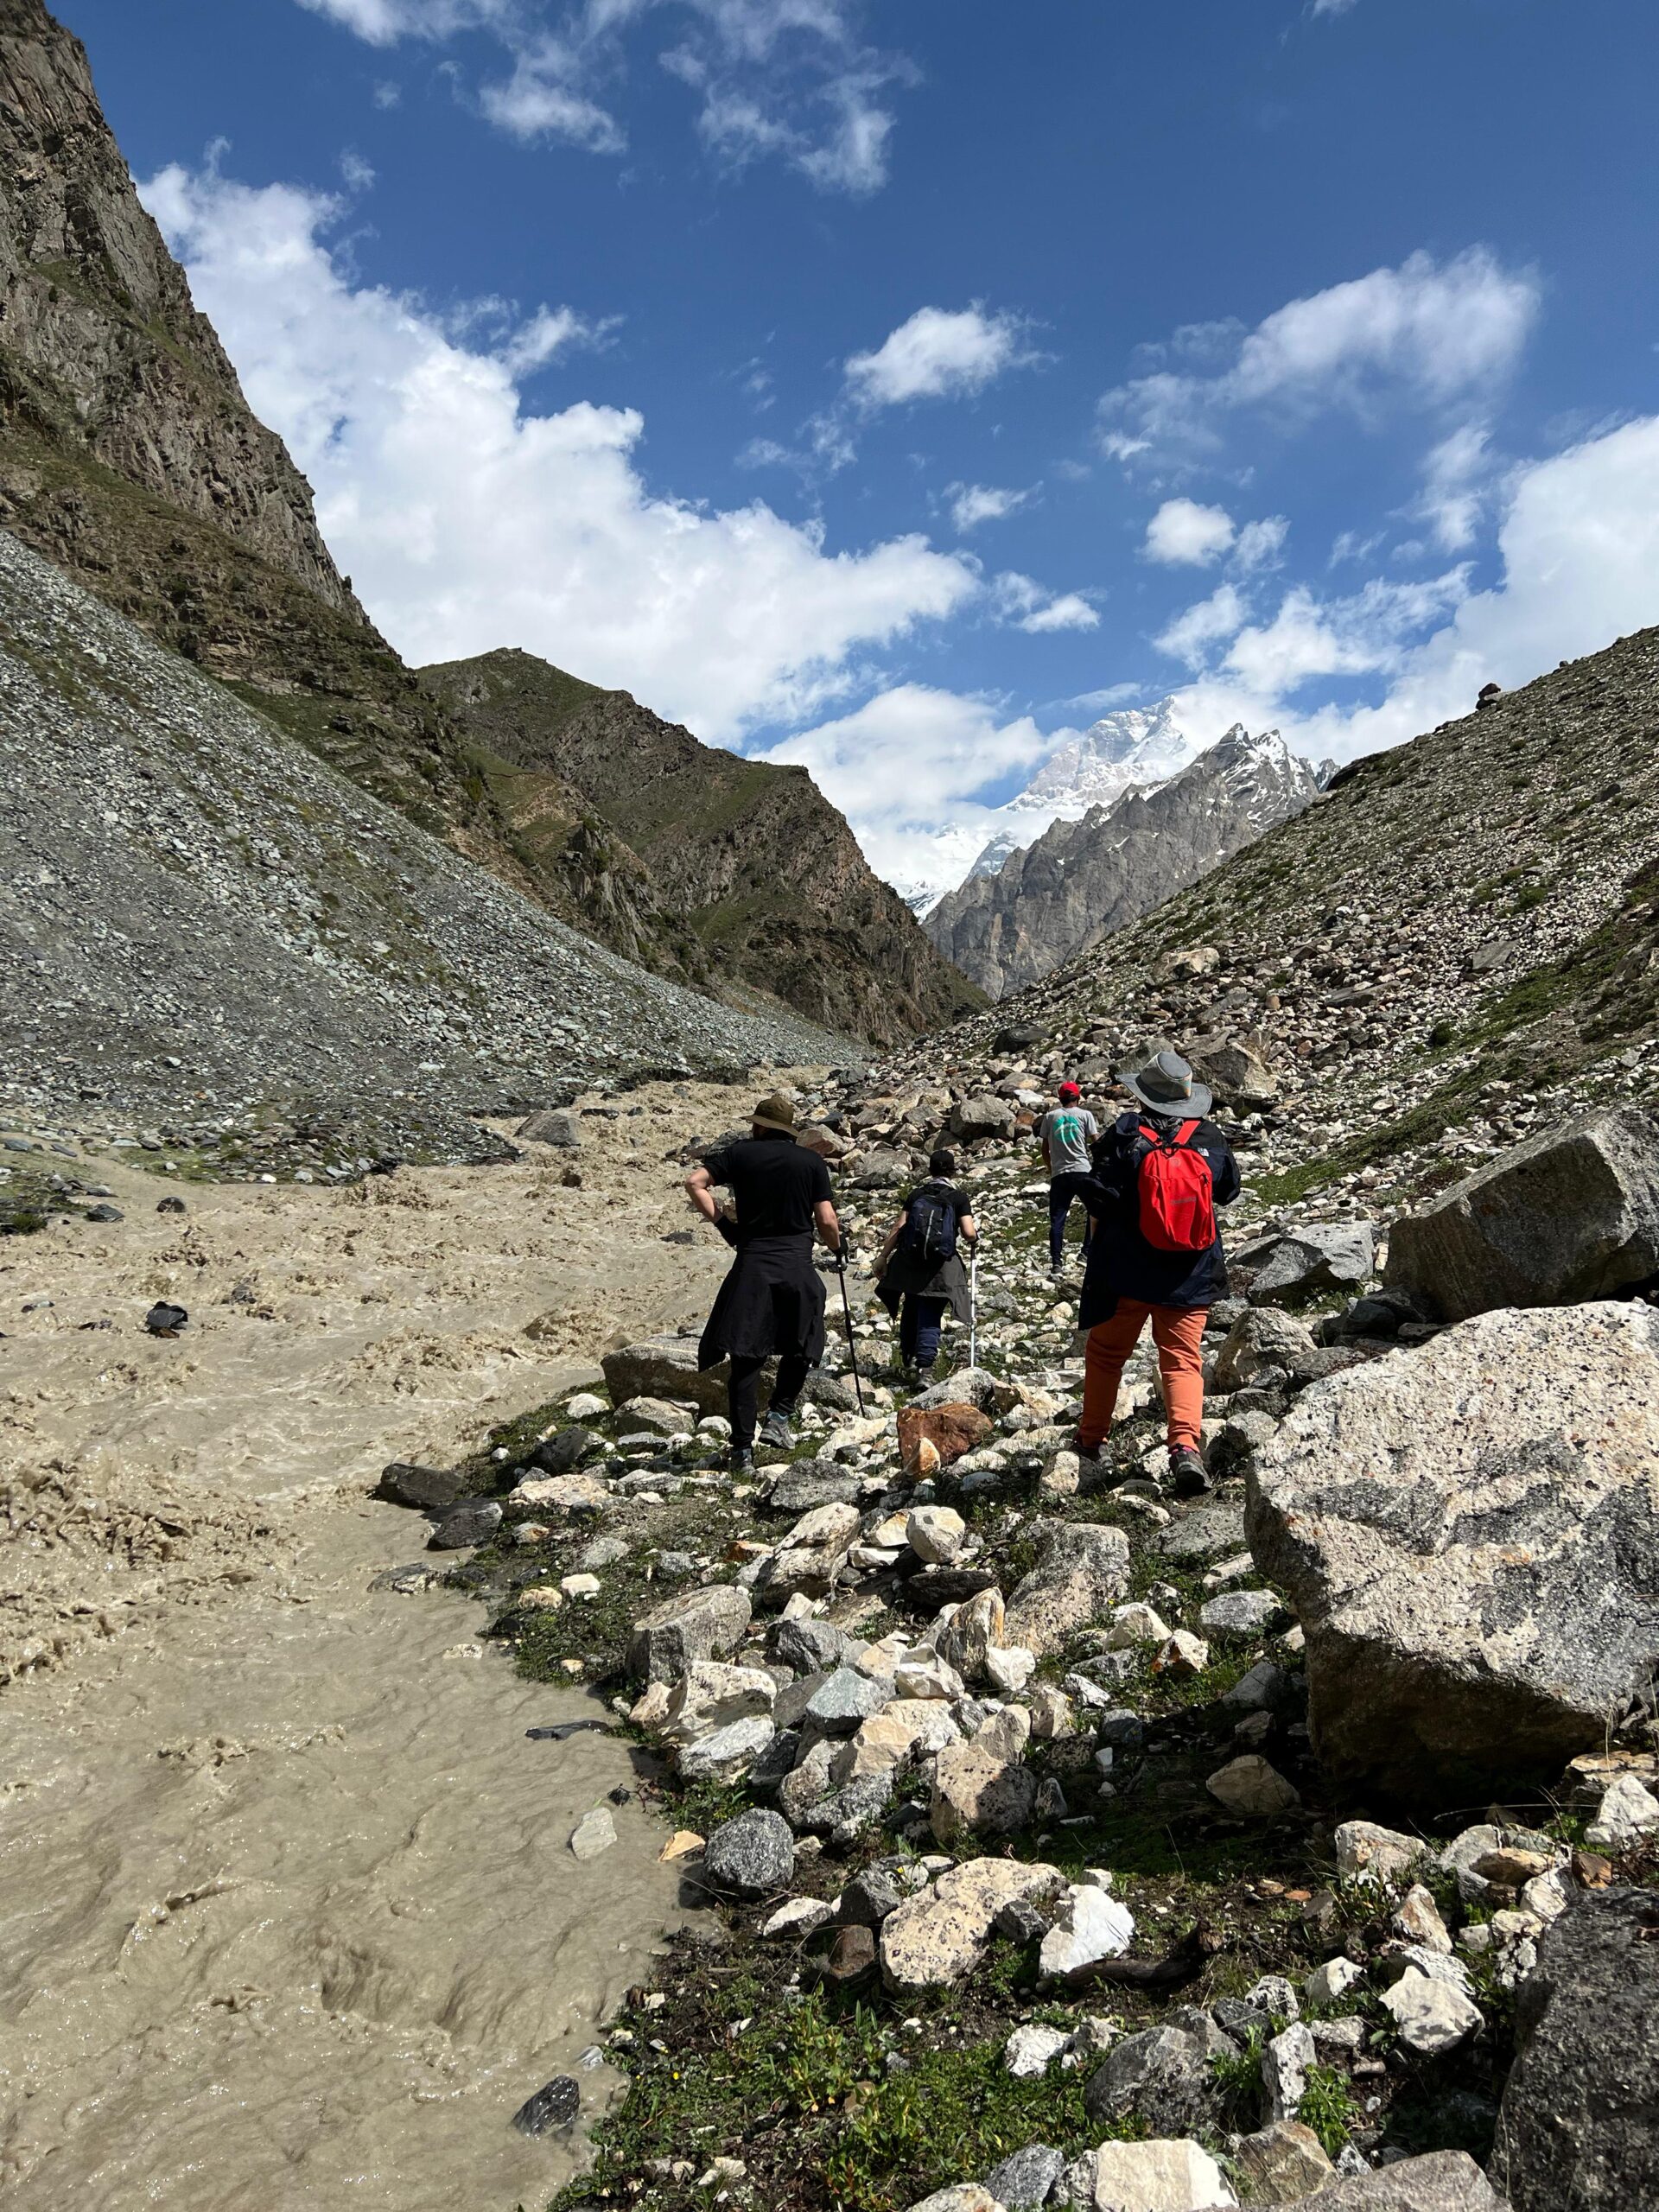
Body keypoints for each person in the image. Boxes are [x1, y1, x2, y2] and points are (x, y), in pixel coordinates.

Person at [1071, 1049, 1239, 1497]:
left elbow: (1100, 1199)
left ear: (1143, 1097)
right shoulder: (1209, 1137)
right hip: (1191, 1274)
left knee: (1107, 1356)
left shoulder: (1125, 1135)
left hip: (1126, 1274)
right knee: (1182, 1361)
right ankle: (1185, 1449)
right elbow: (1228, 1191)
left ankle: (1091, 1443)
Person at [685, 1091, 842, 1471]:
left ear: (759, 1127)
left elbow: (694, 1183)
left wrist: (725, 1224)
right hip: (796, 1265)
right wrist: (837, 1249)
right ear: (788, 1131)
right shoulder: (811, 1162)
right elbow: (826, 1220)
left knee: (746, 1357)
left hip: (752, 1265)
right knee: (804, 1340)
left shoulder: (739, 1154)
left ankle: (741, 1452)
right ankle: (779, 1417)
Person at [874, 1149, 978, 1381]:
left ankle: (908, 1359)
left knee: (911, 1307)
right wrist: (974, 1239)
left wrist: (882, 1257)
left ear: (930, 1169)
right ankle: (925, 1369)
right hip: (940, 1266)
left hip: (910, 1262)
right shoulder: (958, 1197)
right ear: (952, 1170)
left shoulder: (917, 1194)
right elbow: (969, 1232)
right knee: (931, 1313)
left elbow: (899, 1226)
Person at [1038, 1080, 1101, 1276]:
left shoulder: (1050, 1117)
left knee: (1057, 1219)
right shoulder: (1085, 1115)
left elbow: (1044, 1149)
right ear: (1078, 1096)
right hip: (1082, 1170)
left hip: (1060, 1174)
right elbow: (1096, 1142)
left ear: (1060, 1098)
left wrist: (1051, 1168)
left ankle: (1057, 1263)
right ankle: (1086, 1253)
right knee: (1095, 1212)